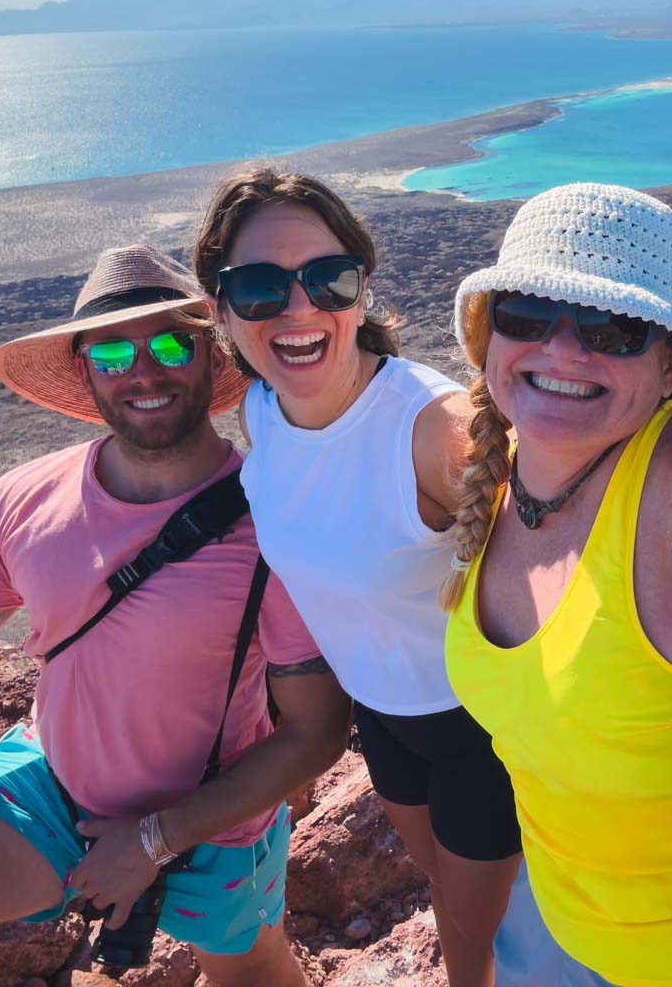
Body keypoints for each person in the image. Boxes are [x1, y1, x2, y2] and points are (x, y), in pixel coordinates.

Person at [0, 245, 352, 987]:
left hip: (212, 818)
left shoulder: (271, 523)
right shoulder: (22, 500)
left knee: (250, 972)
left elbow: (318, 732)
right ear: (86, 370)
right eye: (114, 351)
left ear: (213, 360)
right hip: (53, 786)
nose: (144, 371)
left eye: (173, 343)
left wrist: (151, 841)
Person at [441, 182, 672, 987]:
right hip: (557, 932)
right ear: (487, 337)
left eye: (613, 328)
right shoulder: (500, 481)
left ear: (670, 360)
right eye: (528, 315)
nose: (564, 350)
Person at [192, 166, 522, 987]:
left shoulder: (430, 430)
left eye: (327, 280)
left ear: (362, 292)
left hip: (482, 733)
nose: (299, 309)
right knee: (448, 891)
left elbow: (565, 577)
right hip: (383, 717)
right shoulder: (261, 412)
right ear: (220, 309)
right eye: (262, 287)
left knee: (472, 947)